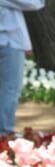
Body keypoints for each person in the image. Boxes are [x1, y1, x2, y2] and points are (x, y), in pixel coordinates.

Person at [0, 0, 43, 138]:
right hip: (9, 42)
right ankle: (4, 131)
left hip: (10, 40)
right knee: (10, 88)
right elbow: (34, 3)